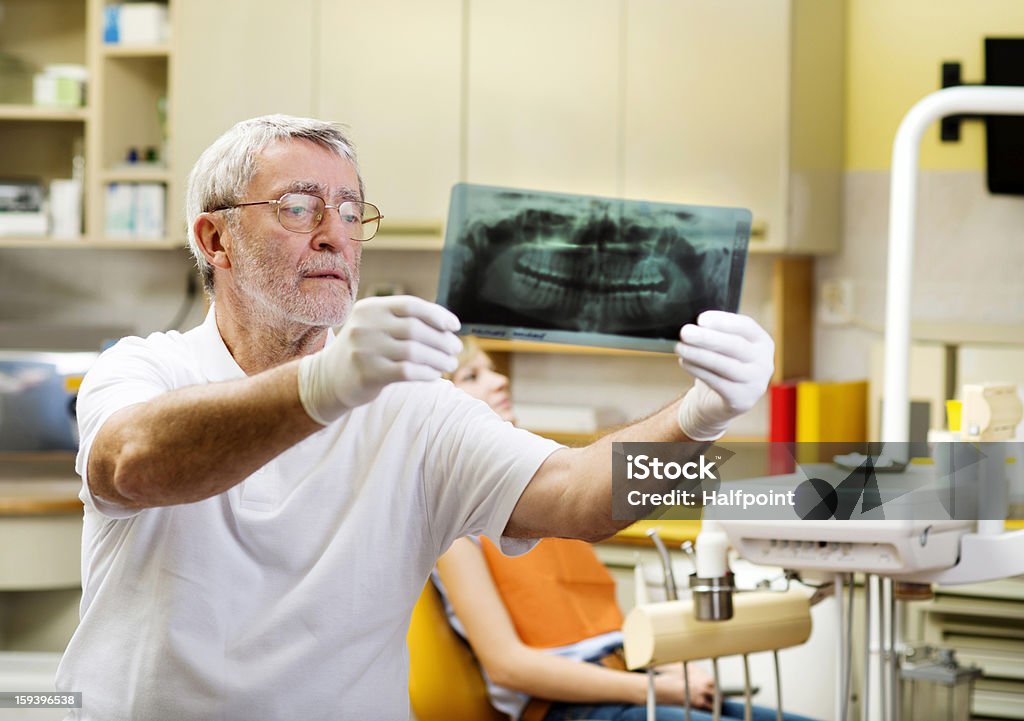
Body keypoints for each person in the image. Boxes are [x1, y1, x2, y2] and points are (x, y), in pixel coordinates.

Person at [55, 114, 775, 721]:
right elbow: (132, 462)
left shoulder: (415, 407)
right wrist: (325, 384)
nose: (335, 233)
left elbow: (578, 496)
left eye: (349, 210)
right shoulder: (146, 371)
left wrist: (698, 418)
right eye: (300, 207)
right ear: (215, 241)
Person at [437, 344, 817, 721]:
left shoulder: (544, 498)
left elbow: (603, 631)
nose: (500, 380)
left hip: (628, 680)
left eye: (491, 369)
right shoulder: (455, 524)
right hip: (569, 706)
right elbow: (509, 667)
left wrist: (666, 671)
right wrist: (653, 689)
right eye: (472, 376)